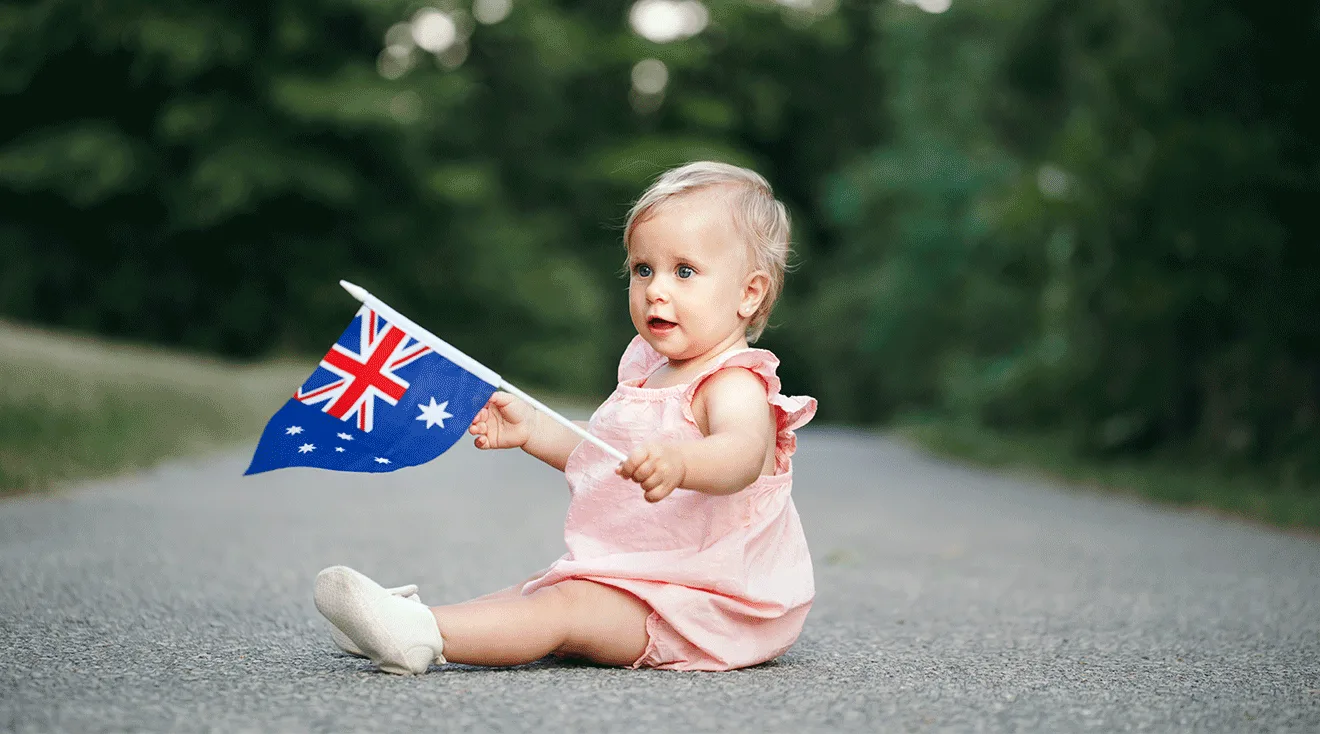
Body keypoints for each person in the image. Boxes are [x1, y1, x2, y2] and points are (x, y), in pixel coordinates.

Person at [314, 161, 817, 674]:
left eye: (684, 271)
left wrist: (683, 463)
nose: (656, 290)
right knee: (537, 590)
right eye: (643, 269)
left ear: (748, 293)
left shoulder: (733, 381)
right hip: (644, 578)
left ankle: (422, 633)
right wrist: (532, 430)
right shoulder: (647, 373)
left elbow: (742, 455)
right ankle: (407, 622)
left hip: (706, 602)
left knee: (562, 608)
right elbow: (601, 458)